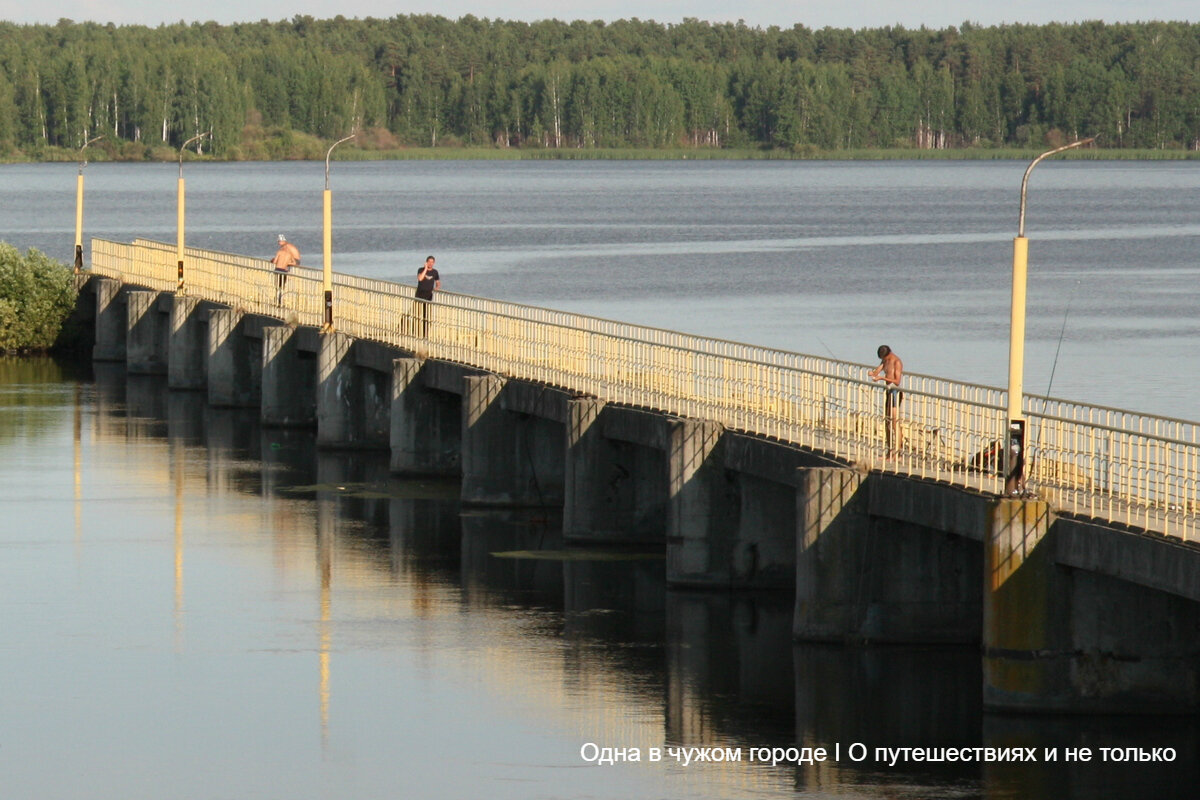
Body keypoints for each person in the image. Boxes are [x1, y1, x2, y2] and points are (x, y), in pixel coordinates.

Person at [868, 344, 904, 456]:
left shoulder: (896, 362)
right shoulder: (885, 361)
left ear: (888, 355)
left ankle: (897, 453)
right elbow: (877, 371)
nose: (883, 361)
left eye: (884, 358)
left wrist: (881, 378)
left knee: (894, 423)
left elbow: (897, 381)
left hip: (895, 391)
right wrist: (873, 374)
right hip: (888, 391)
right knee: (887, 422)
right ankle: (889, 451)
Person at [414, 255, 440, 336]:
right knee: (417, 314)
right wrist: (425, 268)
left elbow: (438, 281)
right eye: (429, 262)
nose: (430, 264)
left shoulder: (435, 272)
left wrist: (437, 287)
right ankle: (416, 331)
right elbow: (420, 278)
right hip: (419, 294)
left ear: (434, 263)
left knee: (427, 315)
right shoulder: (421, 270)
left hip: (428, 296)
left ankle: (425, 333)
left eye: (432, 262)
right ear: (426, 262)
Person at [272, 234, 300, 303]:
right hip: (286, 268)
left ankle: (278, 299)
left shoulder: (285, 248)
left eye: (279, 242)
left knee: (278, 285)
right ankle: (280, 298)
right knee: (282, 284)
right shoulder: (287, 248)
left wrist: (282, 262)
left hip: (281, 267)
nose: (278, 243)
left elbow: (276, 260)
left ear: (282, 241)